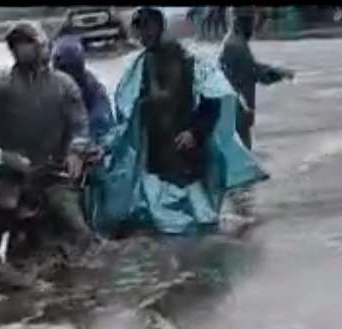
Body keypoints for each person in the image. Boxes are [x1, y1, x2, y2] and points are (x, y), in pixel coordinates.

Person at [89, 6, 268, 236]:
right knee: (159, 220)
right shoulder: (139, 67)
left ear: (164, 27)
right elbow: (127, 113)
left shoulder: (192, 63)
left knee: (199, 222)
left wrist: (195, 132)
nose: (144, 34)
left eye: (149, 26)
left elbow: (212, 101)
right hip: (155, 153)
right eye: (140, 27)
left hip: (188, 154)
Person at [0, 21, 94, 251]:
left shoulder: (64, 85)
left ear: (44, 46)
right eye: (17, 44)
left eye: (28, 43)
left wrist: (76, 151)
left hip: (53, 173)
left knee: (78, 231)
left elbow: (80, 124)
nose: (23, 49)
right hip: (10, 172)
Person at [219, 6, 295, 150]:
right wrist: (280, 74)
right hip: (237, 114)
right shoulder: (235, 46)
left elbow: (251, 67)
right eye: (252, 22)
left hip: (236, 112)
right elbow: (255, 72)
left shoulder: (235, 41)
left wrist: (278, 71)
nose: (254, 27)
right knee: (242, 158)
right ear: (242, 22)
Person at [51, 35, 115, 146]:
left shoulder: (93, 88)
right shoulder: (49, 85)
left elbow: (102, 124)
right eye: (62, 68)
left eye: (69, 67)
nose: (66, 73)